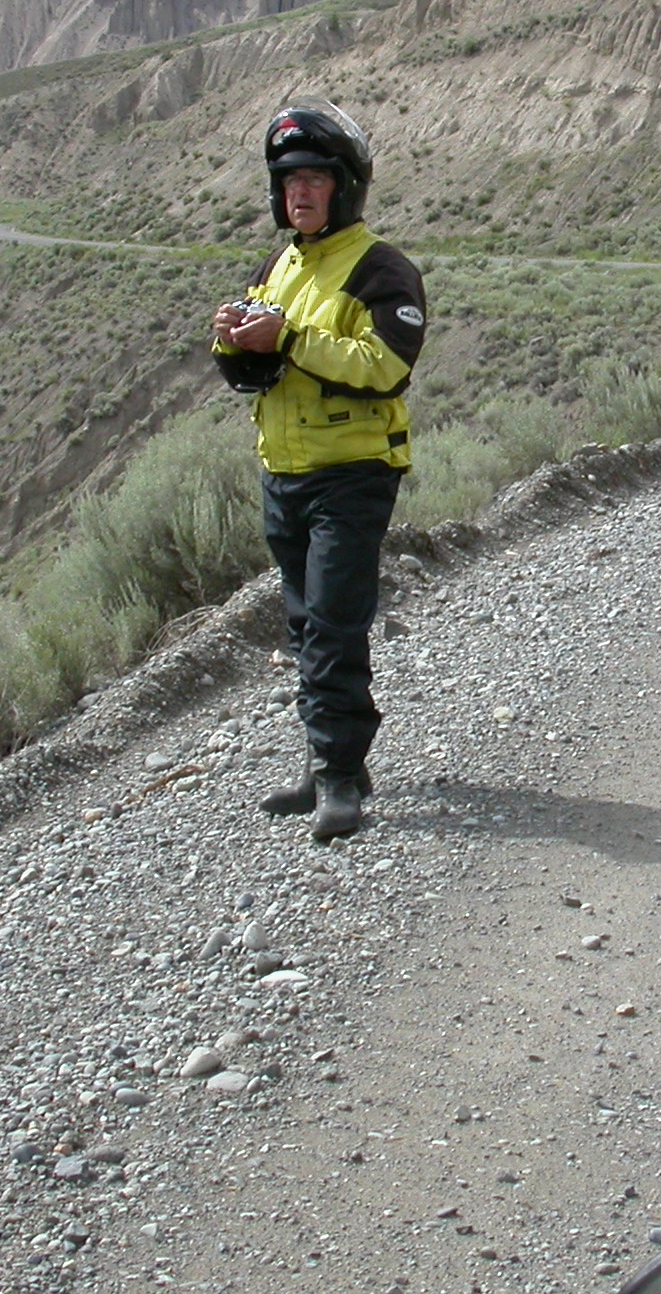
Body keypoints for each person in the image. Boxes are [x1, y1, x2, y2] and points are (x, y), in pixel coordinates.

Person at [211, 100, 427, 840]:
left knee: (334, 624)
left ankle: (340, 778)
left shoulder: (381, 268)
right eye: (289, 180)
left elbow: (386, 367)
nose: (299, 193)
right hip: (286, 471)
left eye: (314, 179)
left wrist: (290, 335)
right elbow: (256, 374)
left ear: (345, 187)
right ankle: (330, 763)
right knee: (306, 626)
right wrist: (236, 342)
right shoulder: (278, 266)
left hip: (353, 472)